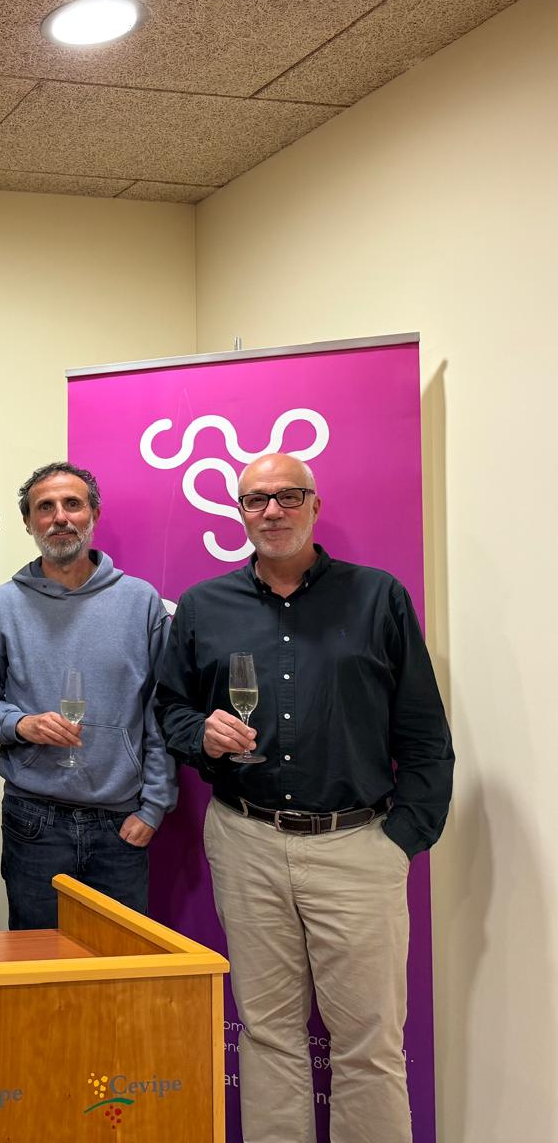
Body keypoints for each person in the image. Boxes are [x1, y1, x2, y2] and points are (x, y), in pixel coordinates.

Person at [156, 453, 453, 1143]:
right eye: (256, 500)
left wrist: (401, 840)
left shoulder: (378, 596)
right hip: (246, 841)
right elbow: (170, 710)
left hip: (358, 846)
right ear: (239, 512)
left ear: (315, 506)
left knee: (369, 1042)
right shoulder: (203, 606)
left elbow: (423, 730)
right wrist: (202, 734)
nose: (272, 511)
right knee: (267, 1034)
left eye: (289, 497)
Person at [0, 462, 175, 929]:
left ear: (94, 515)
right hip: (33, 821)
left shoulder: (141, 602)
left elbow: (161, 711)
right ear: (28, 522)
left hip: (121, 823)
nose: (59, 517)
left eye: (72, 504)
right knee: (38, 960)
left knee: (120, 961)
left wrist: (154, 807)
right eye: (45, 507)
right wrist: (21, 724)